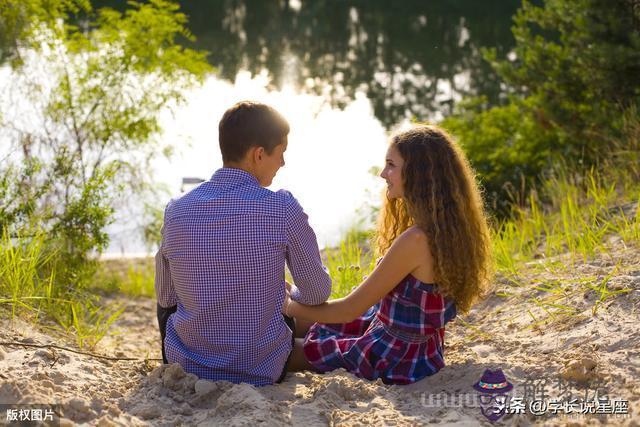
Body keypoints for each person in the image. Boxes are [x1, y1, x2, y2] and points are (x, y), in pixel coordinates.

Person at [283, 125, 493, 385]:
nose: (383, 174)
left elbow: (349, 309)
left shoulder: (416, 240)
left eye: (391, 165)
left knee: (281, 351)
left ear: (420, 174)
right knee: (300, 321)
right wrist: (294, 306)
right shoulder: (447, 231)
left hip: (393, 355)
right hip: (417, 346)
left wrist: (289, 305)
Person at [155, 101, 332, 386]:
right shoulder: (282, 207)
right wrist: (286, 295)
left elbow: (166, 299)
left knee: (171, 303)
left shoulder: (176, 209)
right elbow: (316, 292)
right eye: (281, 153)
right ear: (258, 154)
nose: (283, 163)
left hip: (187, 362)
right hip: (264, 365)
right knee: (303, 315)